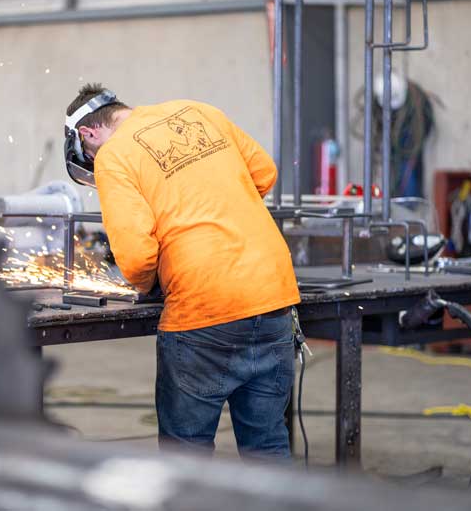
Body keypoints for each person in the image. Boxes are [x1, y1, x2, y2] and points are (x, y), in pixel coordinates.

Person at [64, 84, 300, 460]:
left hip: (204, 308)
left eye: (89, 154)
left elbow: (137, 254)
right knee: (268, 447)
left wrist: (146, 285)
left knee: (185, 457)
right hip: (272, 291)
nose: (95, 160)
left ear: (88, 133)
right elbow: (264, 172)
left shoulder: (113, 155)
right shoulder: (197, 111)